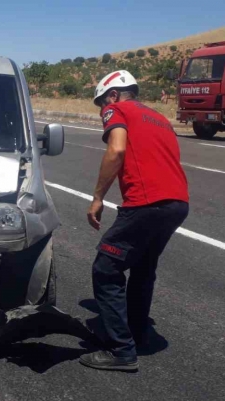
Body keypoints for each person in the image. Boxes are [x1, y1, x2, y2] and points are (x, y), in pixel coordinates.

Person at [79, 70, 189, 372]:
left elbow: (116, 149)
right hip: (178, 202)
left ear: (113, 95)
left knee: (106, 267)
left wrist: (98, 197)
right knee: (142, 267)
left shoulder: (117, 109)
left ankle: (121, 350)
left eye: (102, 103)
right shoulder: (160, 118)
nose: (103, 109)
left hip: (147, 202)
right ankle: (137, 333)